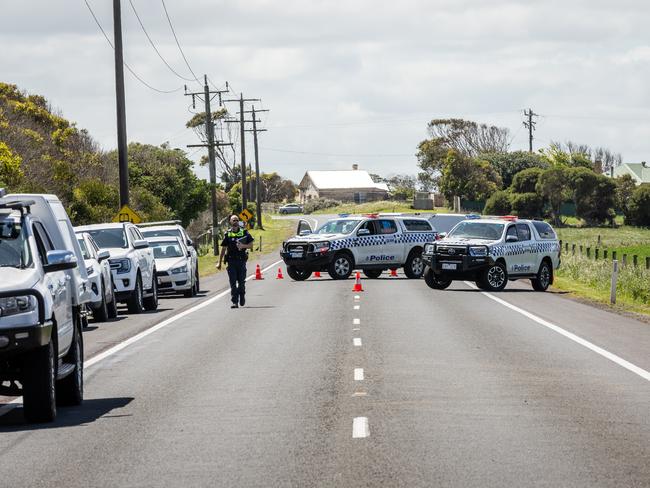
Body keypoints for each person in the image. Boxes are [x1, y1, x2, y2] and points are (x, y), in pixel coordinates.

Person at [217, 215, 254, 308]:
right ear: (230, 222)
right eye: (233, 220)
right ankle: (234, 301)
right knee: (233, 282)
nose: (235, 222)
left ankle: (242, 295)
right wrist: (219, 262)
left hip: (241, 261)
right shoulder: (228, 234)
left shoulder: (244, 232)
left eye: (237, 220)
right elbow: (223, 249)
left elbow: (251, 245)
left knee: (241, 282)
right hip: (231, 261)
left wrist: (243, 246)